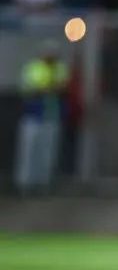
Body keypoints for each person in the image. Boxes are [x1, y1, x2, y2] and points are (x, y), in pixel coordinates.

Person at [14, 41, 68, 195]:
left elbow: (62, 87)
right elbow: (29, 89)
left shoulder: (60, 68)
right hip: (32, 115)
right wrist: (47, 89)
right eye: (48, 52)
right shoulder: (33, 67)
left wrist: (48, 89)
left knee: (48, 152)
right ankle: (24, 184)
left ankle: (43, 184)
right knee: (28, 151)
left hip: (51, 115)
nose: (51, 55)